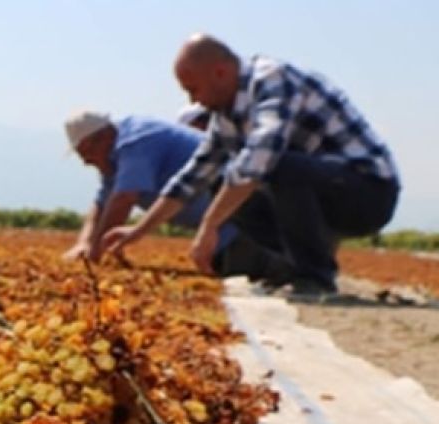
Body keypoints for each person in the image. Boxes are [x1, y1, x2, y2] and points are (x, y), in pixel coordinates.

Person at [103, 34, 400, 293]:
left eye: (194, 89)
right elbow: (192, 177)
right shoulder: (226, 115)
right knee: (222, 180)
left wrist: (209, 225)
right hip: (323, 194)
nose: (194, 102)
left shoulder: (273, 79)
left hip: (367, 192)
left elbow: (260, 158)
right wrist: (137, 231)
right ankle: (293, 267)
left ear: (219, 72)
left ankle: (315, 276)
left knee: (277, 167)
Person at [62, 111, 291, 281]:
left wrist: (95, 255)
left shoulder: (136, 141)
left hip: (243, 214)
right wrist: (84, 242)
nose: (86, 161)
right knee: (225, 264)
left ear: (102, 138)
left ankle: (290, 261)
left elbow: (124, 198)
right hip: (220, 226)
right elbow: (102, 202)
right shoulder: (112, 157)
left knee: (248, 266)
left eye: (86, 152)